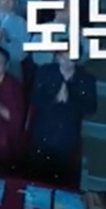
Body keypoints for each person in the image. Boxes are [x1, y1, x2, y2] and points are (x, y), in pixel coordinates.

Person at [29, 50, 97, 187]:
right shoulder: (45, 71)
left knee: (61, 177)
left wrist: (69, 99)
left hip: (67, 134)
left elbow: (91, 108)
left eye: (70, 59)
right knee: (37, 175)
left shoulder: (87, 78)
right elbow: (34, 98)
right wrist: (55, 98)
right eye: (62, 57)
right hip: (43, 132)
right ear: (57, 57)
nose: (66, 62)